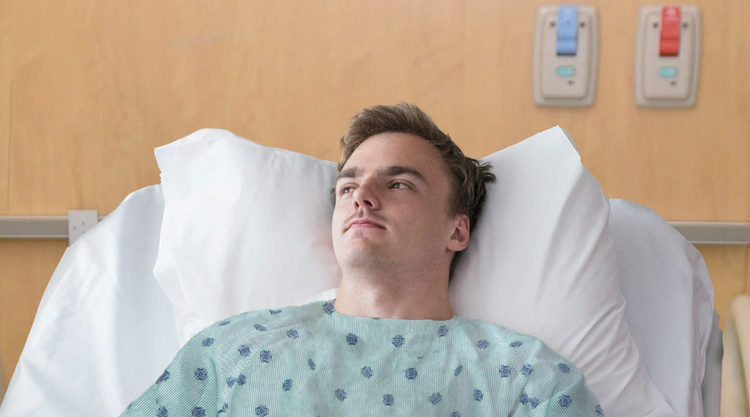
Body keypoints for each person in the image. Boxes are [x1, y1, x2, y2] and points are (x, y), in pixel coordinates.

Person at [121, 104, 603, 416]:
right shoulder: (232, 352)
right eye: (348, 186)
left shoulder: (528, 380)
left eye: (398, 184)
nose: (361, 197)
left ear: (456, 229)